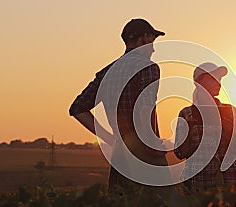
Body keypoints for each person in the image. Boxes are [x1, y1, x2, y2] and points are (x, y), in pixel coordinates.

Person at [69, 18, 168, 193]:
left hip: (120, 155)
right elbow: (145, 109)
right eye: (152, 40)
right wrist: (151, 143)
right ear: (143, 38)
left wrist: (109, 138)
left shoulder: (107, 72)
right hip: (144, 152)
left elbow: (77, 109)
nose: (153, 48)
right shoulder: (148, 68)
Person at [174, 62, 236, 191]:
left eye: (220, 78)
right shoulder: (187, 113)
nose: (218, 83)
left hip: (228, 183)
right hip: (198, 183)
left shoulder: (229, 111)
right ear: (198, 82)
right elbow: (179, 152)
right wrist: (190, 128)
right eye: (212, 78)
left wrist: (228, 129)